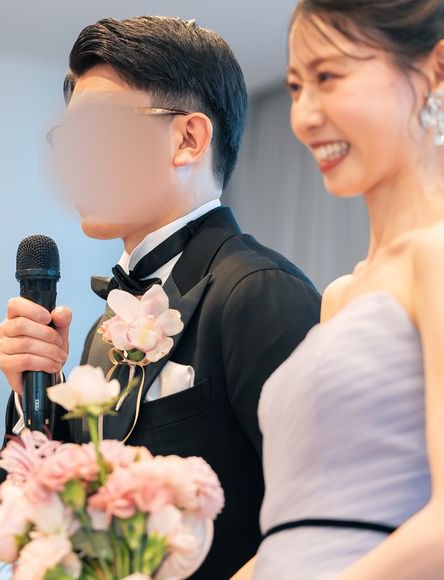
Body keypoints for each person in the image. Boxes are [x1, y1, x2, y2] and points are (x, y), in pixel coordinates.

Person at [0, 16, 321, 578]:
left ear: (188, 139)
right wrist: (31, 396)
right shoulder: (102, 331)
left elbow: (321, 521)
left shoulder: (258, 292)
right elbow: (43, 522)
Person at [235, 1, 444, 578]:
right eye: (296, 87)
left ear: (436, 70)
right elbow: (301, 528)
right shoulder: (340, 295)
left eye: (327, 77)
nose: (303, 116)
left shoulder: (436, 255)